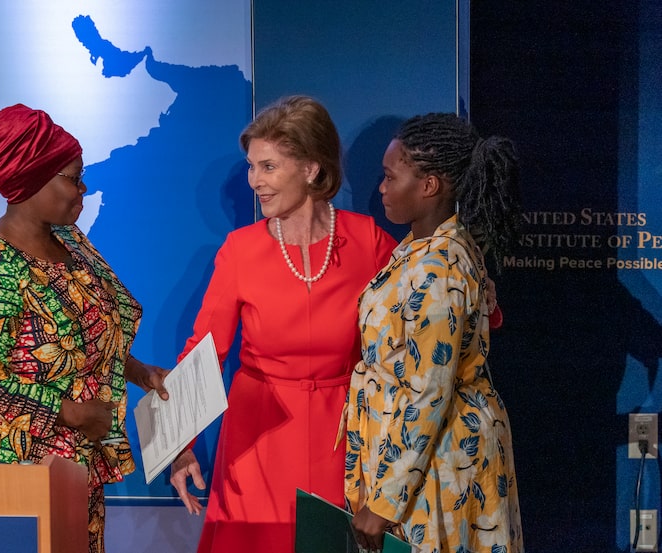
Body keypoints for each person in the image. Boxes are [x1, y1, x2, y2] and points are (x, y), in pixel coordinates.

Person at [0, 103, 169, 553]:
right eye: (72, 177)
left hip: (71, 462)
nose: (83, 188)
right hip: (5, 467)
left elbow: (90, 332)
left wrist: (140, 372)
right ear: (31, 180)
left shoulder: (70, 240)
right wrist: (72, 413)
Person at [168, 95, 399, 553]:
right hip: (258, 441)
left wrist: (483, 303)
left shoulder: (369, 242)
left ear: (311, 169)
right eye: (252, 167)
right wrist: (180, 445)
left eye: (268, 167)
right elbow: (203, 351)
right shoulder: (240, 251)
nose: (255, 181)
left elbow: (422, 317)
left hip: (343, 441)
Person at [346, 112, 524, 553]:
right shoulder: (419, 248)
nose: (381, 188)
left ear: (429, 186)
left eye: (390, 177)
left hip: (440, 459)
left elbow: (430, 393)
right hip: (418, 456)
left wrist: (386, 502)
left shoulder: (440, 268)